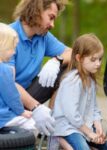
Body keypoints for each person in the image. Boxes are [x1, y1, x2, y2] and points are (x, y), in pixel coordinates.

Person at [7, 0, 72, 136]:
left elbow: (73, 53)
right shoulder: (8, 36)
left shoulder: (43, 37)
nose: (52, 25)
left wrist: (57, 60)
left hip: (27, 97)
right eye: (51, 17)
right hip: (6, 100)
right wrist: (36, 108)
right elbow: (7, 83)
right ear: (36, 11)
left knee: (69, 68)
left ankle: (55, 124)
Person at [52, 33, 107, 150]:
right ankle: (60, 139)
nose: (98, 63)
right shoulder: (73, 81)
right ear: (79, 58)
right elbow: (72, 115)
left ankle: (87, 141)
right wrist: (90, 133)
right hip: (68, 127)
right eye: (93, 59)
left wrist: (98, 124)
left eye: (100, 59)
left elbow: (94, 107)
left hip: (85, 124)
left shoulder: (90, 80)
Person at [0, 23, 38, 137]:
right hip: (4, 117)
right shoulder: (4, 70)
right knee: (34, 124)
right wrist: (21, 111)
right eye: (12, 48)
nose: (14, 52)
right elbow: (12, 96)